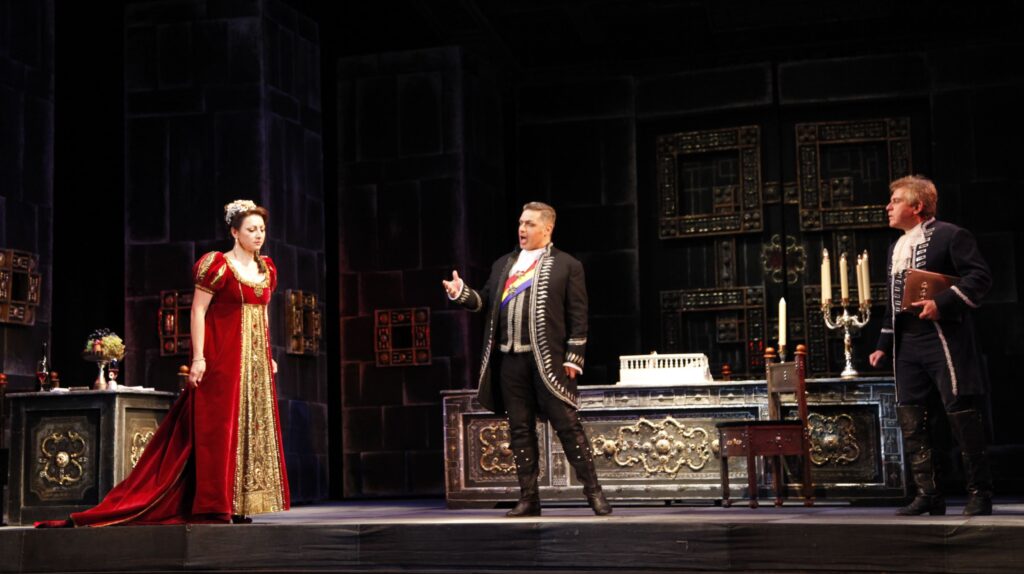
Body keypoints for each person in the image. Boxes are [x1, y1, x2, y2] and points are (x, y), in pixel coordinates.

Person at [37, 200, 289, 527]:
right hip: (224, 357)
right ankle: (216, 503)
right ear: (234, 232)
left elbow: (263, 312)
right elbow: (198, 311)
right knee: (219, 430)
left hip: (254, 362)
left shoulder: (266, 268)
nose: (258, 235)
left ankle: (241, 502)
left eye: (262, 229)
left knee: (250, 426)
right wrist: (199, 358)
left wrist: (267, 353)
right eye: (251, 229)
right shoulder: (218, 266)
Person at [443, 201, 611, 517]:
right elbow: (484, 303)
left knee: (568, 427)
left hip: (548, 361)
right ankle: (529, 498)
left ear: (547, 228)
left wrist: (574, 356)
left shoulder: (567, 265)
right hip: (509, 361)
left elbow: (578, 315)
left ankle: (594, 493)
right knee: (519, 430)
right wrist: (461, 292)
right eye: (521, 223)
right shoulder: (503, 265)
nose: (522, 229)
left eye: (530, 224)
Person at [868, 176, 993, 516]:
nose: (888, 207)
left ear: (917, 205)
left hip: (943, 338)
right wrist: (883, 344)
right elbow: (893, 302)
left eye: (895, 200)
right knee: (912, 418)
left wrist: (942, 303)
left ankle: (979, 493)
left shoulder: (951, 235)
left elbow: (979, 277)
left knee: (961, 415)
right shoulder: (896, 248)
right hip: (907, 344)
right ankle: (929, 494)